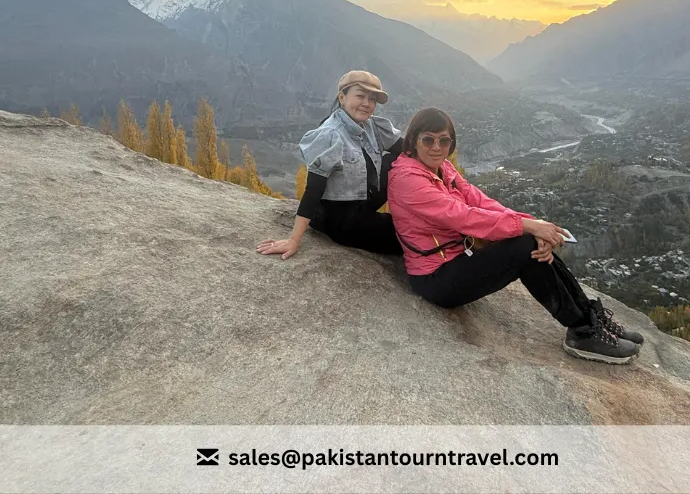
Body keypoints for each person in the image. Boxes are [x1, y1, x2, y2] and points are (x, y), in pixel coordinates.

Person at [386, 107, 644, 364]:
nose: (437, 147)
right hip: (436, 279)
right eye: (428, 139)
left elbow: (480, 201)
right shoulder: (408, 179)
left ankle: (590, 318)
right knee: (524, 247)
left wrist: (531, 224)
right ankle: (583, 332)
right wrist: (526, 228)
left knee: (531, 242)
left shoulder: (442, 169)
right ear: (413, 140)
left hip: (457, 260)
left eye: (444, 140)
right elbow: (463, 216)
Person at [257, 70, 404, 260]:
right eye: (360, 96)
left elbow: (407, 149)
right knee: (411, 234)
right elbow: (313, 190)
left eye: (372, 99)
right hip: (342, 220)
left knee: (398, 161)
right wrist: (293, 240)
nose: (367, 104)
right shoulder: (331, 135)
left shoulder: (372, 126)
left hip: (363, 200)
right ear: (342, 97)